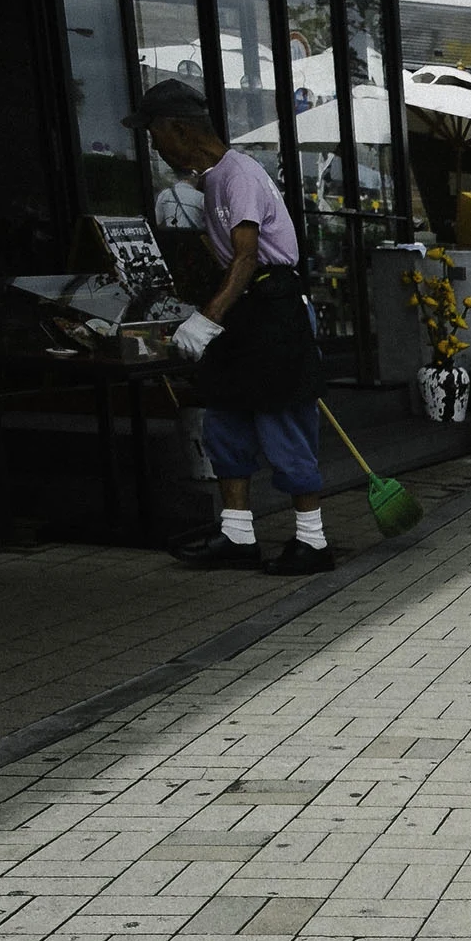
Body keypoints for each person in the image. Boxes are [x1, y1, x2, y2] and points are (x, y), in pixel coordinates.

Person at [130, 80, 331, 576]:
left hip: (270, 308)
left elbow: (245, 259)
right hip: (241, 311)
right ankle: (237, 535)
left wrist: (205, 320)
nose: (154, 146)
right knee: (225, 420)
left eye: (156, 134)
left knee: (281, 423)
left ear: (180, 129)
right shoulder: (212, 178)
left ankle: (314, 541)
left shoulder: (239, 173)